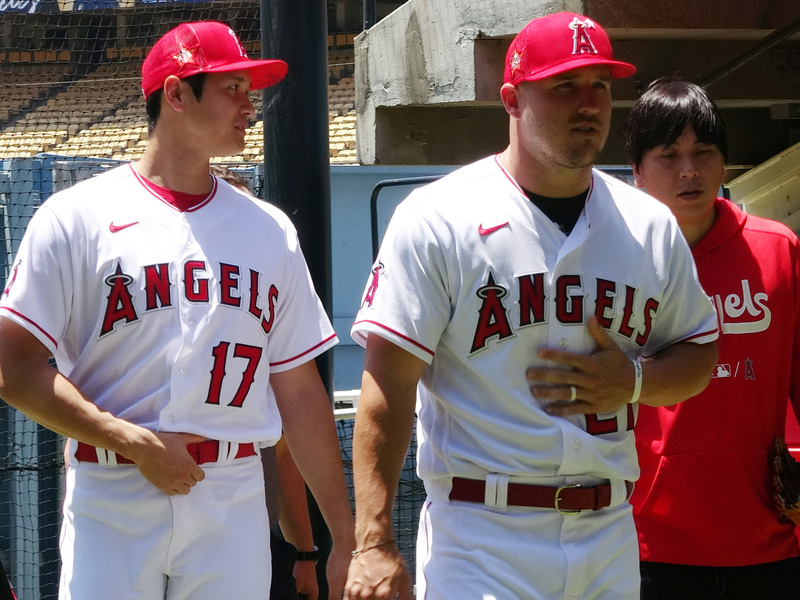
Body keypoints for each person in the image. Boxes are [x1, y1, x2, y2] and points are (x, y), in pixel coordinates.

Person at [344, 12, 719, 600]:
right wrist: (372, 542)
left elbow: (698, 350)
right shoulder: (438, 217)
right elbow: (387, 383)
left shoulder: (649, 224)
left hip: (608, 533)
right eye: (565, 85)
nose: (589, 103)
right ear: (513, 100)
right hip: (483, 533)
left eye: (600, 85)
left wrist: (637, 381)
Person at [0, 21, 354, 600]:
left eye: (249, 90)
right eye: (232, 88)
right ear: (175, 93)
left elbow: (299, 392)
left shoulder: (269, 230)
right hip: (112, 488)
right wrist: (131, 441)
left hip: (233, 494)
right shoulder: (75, 217)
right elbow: (13, 369)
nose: (249, 105)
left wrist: (347, 536)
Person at [625, 78, 800, 599]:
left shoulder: (778, 250)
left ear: (724, 165)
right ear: (637, 171)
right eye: (668, 154)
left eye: (703, 152)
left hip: (770, 541)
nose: (689, 170)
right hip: (648, 544)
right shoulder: (614, 264)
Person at [208, 164, 320, 600]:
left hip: (259, 546)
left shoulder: (268, 318)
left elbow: (285, 452)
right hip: (161, 538)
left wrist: (305, 553)